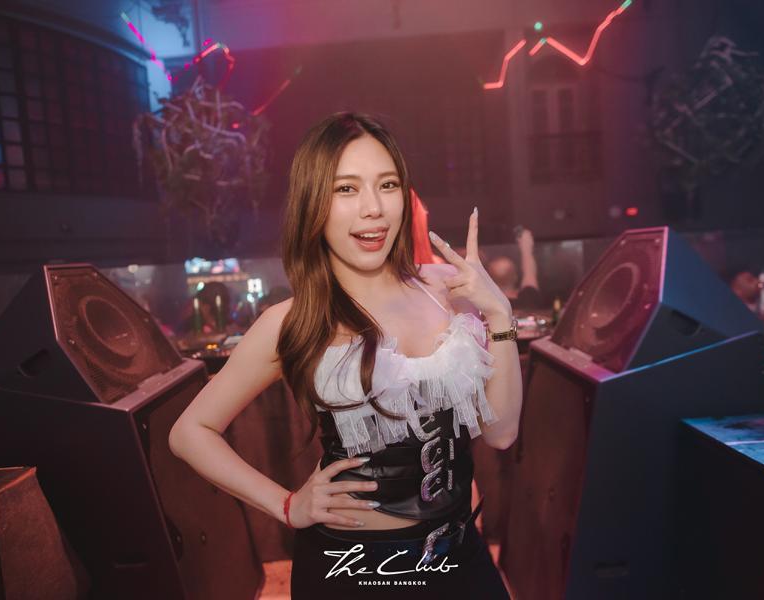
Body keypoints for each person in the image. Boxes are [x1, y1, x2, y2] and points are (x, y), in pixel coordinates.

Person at [168, 113, 520, 599]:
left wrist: (499, 313)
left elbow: (501, 434)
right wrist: (286, 505)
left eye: (387, 185)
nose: (373, 209)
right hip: (351, 568)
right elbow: (190, 432)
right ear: (314, 202)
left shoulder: (448, 288)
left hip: (458, 555)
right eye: (346, 189)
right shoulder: (292, 322)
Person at [487, 227, 542, 311]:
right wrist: (526, 244)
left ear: (490, 280)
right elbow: (529, 273)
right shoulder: (528, 300)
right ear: (515, 277)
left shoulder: (485, 306)